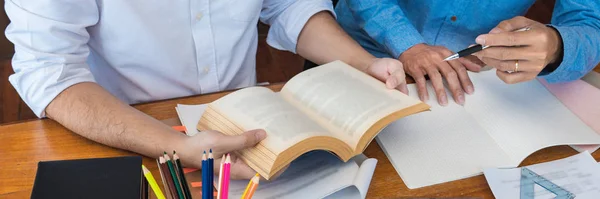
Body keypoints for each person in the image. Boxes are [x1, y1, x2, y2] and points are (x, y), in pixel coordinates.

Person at [5, 0, 409, 179]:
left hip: (254, 126)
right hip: (130, 134)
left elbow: (288, 6)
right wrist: (174, 145)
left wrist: (362, 64)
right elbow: (50, 71)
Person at [335, 1, 600, 106]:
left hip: (468, 74)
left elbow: (589, 21)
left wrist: (557, 45)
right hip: (354, 49)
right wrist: (405, 42)